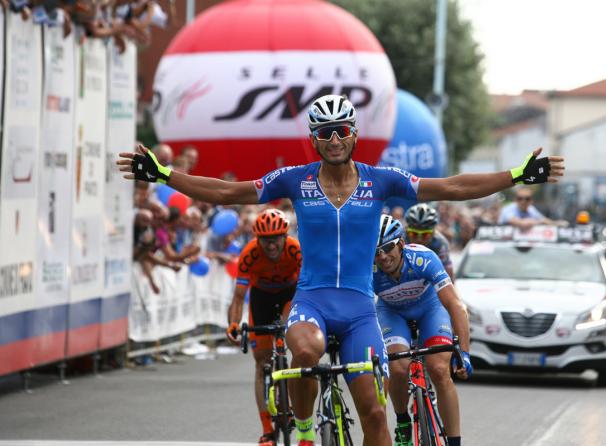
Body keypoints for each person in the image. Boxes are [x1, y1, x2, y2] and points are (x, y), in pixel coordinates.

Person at [118, 94, 564, 446]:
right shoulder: (295, 179)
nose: (334, 139)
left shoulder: (380, 180)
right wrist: (162, 174)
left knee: (374, 414)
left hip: (359, 310)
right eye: (324, 132)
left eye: (342, 130)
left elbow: (451, 186)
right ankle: (308, 430)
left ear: (353, 135)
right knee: (306, 353)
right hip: (311, 299)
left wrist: (518, 175)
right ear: (315, 139)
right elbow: (224, 192)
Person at [374, 215, 471, 446]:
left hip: (429, 309)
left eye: (388, 248)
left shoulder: (423, 258)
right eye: (375, 251)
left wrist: (464, 353)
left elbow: (455, 306)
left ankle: (454, 442)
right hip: (392, 313)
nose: (383, 257)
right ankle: (403, 421)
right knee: (397, 369)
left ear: (400, 244)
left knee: (439, 370)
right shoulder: (367, 270)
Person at [226, 209, 302, 446]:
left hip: (291, 295)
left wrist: (288, 317)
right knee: (261, 363)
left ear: (284, 236)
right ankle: (267, 429)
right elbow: (239, 297)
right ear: (258, 239)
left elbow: (306, 287)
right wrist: (234, 324)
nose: (271, 246)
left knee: (292, 350)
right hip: (261, 298)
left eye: (276, 239)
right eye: (266, 240)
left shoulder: (294, 249)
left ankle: (289, 405)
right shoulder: (249, 254)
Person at [404, 203, 455, 282]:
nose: (419, 239)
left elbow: (448, 276)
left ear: (433, 232)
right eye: (413, 234)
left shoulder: (440, 243)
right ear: (406, 230)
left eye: (425, 235)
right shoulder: (400, 239)